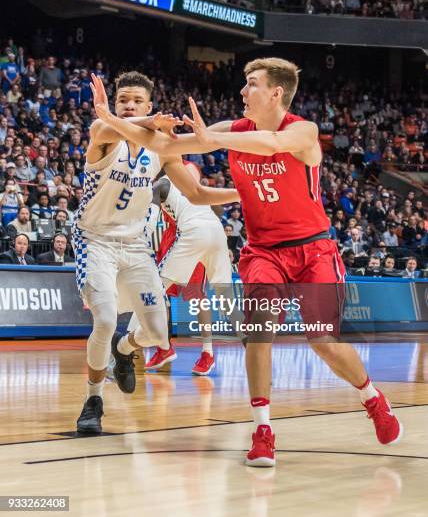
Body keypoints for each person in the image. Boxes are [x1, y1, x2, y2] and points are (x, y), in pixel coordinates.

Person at [95, 58, 403, 467]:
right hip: (262, 252)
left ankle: (371, 398)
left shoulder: (303, 131)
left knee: (322, 340)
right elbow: (166, 148)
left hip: (314, 250)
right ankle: (262, 430)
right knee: (257, 335)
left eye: (251, 84)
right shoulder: (229, 130)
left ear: (275, 93)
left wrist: (215, 139)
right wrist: (110, 119)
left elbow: (274, 145)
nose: (242, 91)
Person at [74, 72, 240, 436]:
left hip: (135, 247)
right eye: (122, 101)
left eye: (137, 101)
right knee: (103, 319)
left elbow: (196, 192)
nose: (128, 106)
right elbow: (119, 126)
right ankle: (93, 400)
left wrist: (241, 192)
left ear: (149, 105)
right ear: (113, 106)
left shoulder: (160, 150)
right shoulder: (103, 132)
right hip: (95, 241)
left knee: (156, 335)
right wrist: (147, 122)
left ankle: (123, 348)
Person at [129, 162, 232, 376]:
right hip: (180, 234)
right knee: (162, 294)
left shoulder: (170, 175)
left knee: (192, 294)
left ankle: (205, 351)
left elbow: (151, 218)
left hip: (188, 234)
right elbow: (217, 207)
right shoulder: (180, 173)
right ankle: (165, 347)